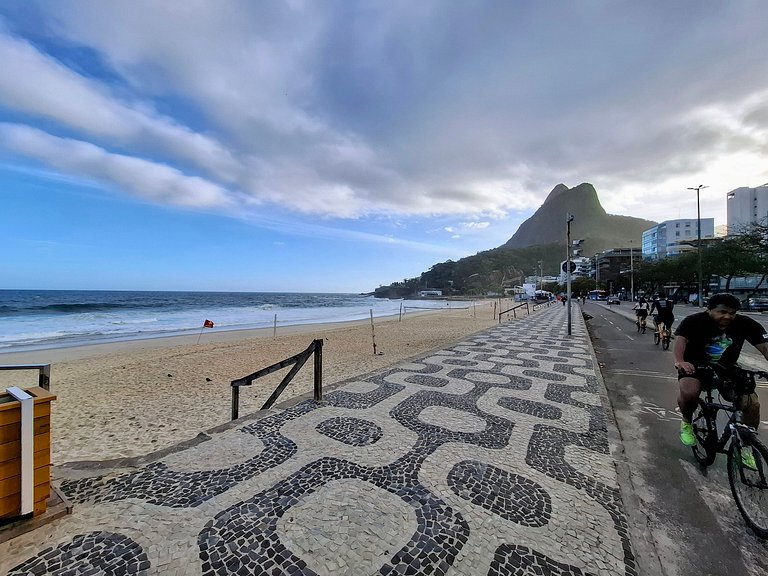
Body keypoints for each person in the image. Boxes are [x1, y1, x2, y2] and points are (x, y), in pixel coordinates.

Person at [674, 293, 768, 467]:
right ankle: (687, 421)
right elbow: (680, 341)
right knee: (689, 393)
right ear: (709, 310)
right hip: (694, 366)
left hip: (727, 368)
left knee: (751, 403)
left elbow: (764, 346)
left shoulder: (744, 324)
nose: (727, 317)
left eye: (732, 313)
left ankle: (747, 444)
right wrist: (680, 361)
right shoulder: (694, 321)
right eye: (722, 312)